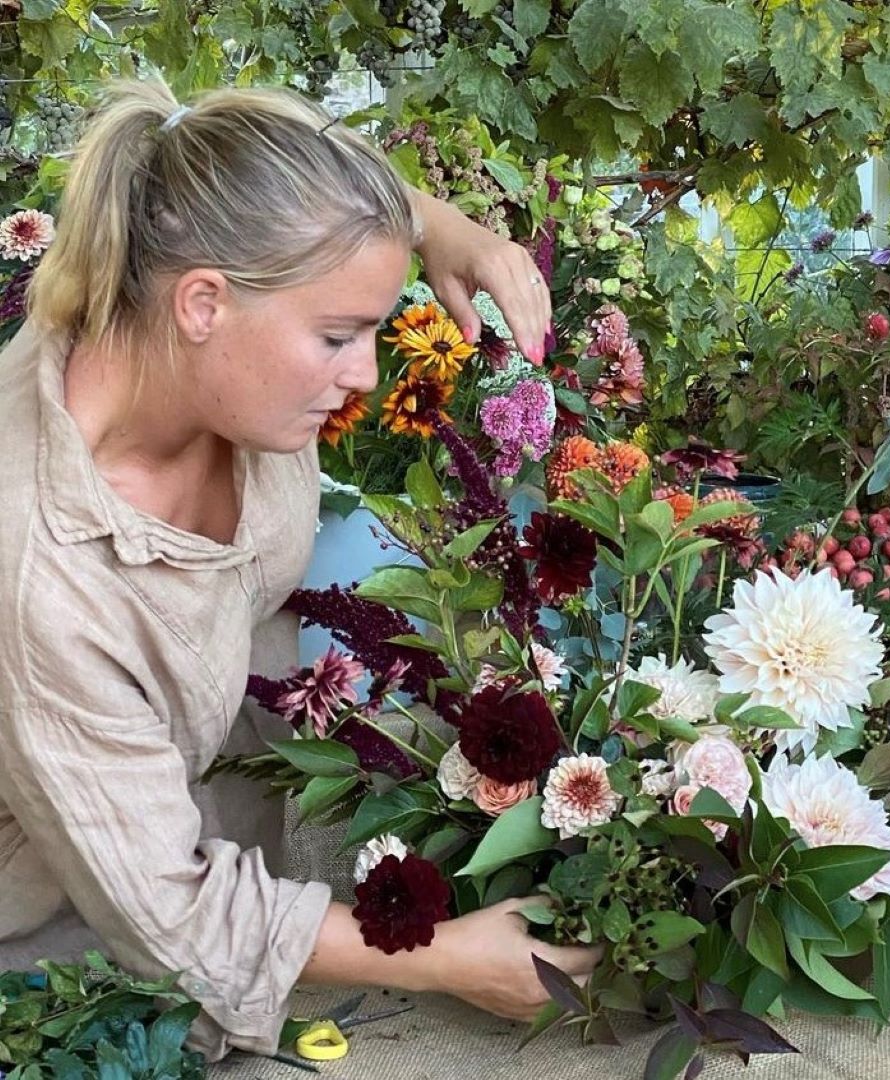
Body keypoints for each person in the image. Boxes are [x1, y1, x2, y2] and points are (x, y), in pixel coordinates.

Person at [0, 79, 600, 1061]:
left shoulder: (189, 278)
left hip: (229, 751)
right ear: (204, 303)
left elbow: (326, 196)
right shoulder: (43, 576)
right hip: (71, 904)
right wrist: (446, 958)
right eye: (338, 336)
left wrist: (445, 233)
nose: (367, 373)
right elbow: (169, 914)